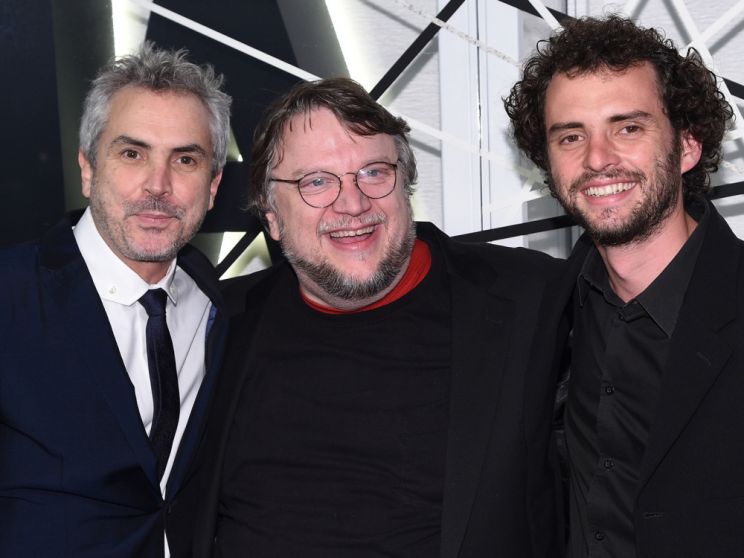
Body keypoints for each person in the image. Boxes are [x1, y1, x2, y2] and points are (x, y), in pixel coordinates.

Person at [187, 77, 566, 557]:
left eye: (373, 172)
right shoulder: (212, 321)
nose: (352, 203)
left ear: (405, 185)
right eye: (316, 181)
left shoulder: (533, 298)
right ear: (272, 217)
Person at [505, 14, 737, 558]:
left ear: (687, 146)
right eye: (571, 136)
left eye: (627, 127)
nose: (597, 159)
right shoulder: (542, 311)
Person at [0, 43, 231, 557]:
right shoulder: (10, 295)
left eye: (185, 159)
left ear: (214, 185)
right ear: (87, 168)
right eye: (132, 153)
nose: (158, 185)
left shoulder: (218, 303)